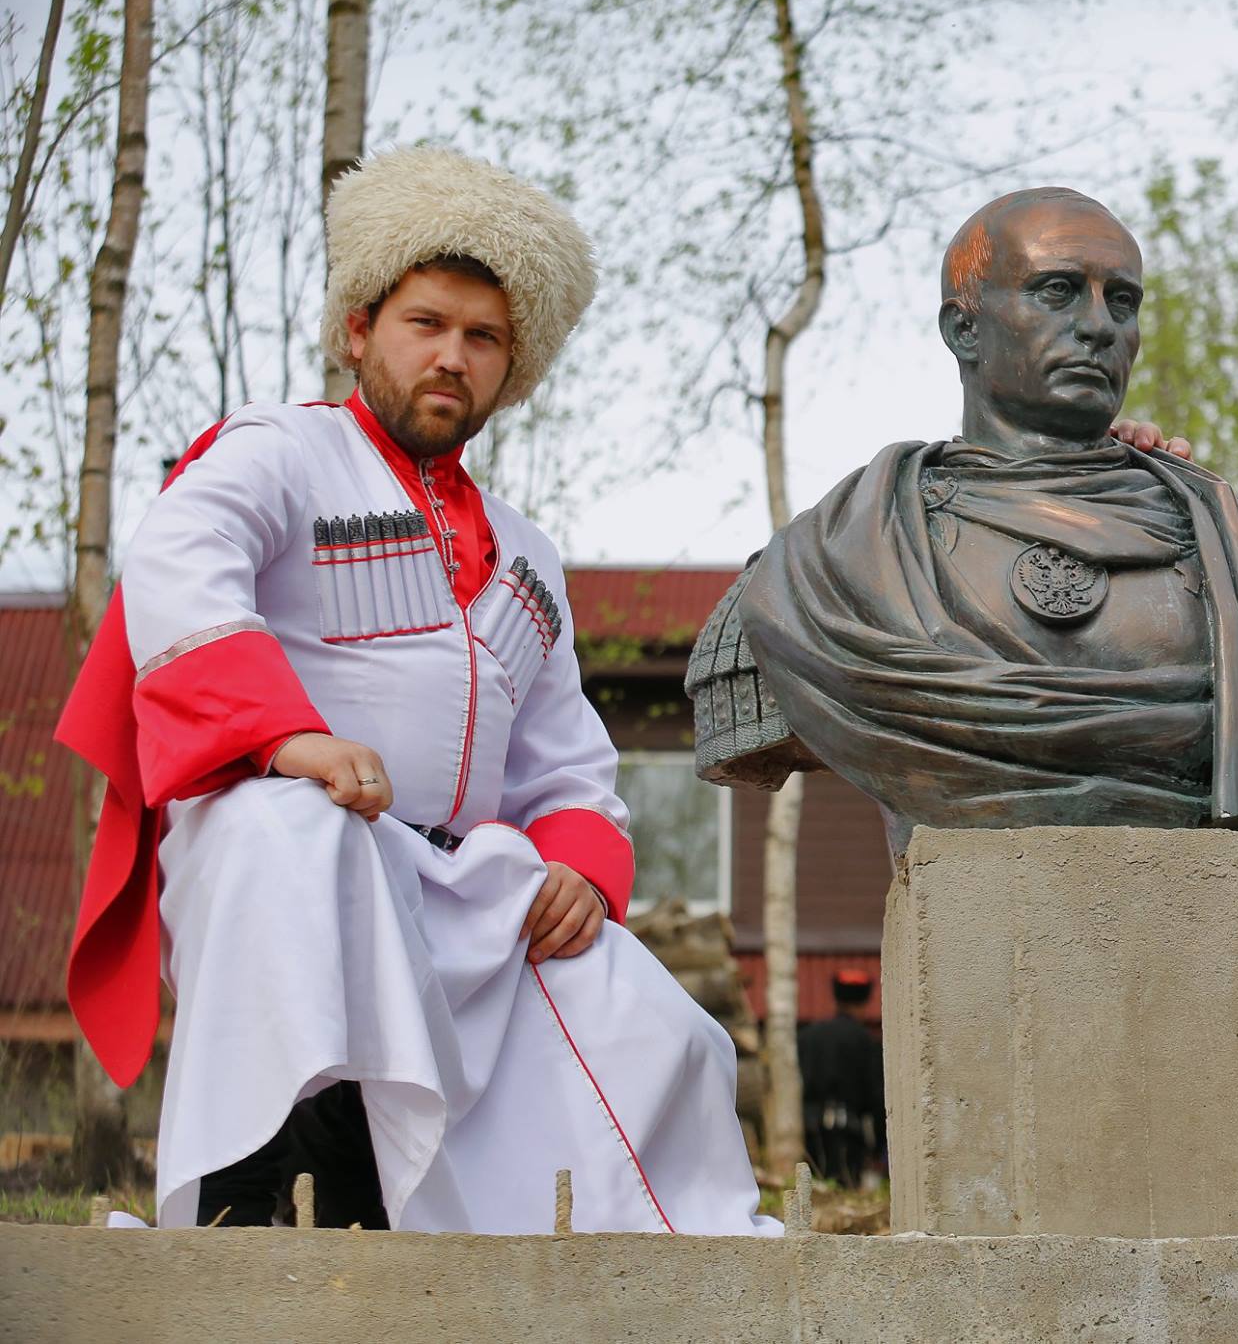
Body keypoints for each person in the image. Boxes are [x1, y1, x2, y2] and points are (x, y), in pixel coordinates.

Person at [58, 146, 779, 1237]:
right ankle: (253, 1205)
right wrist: (286, 738)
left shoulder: (530, 557)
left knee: (655, 1022)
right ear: (360, 329)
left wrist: (580, 867)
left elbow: (565, 758)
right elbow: (177, 557)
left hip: (457, 889)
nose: (452, 357)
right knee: (295, 840)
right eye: (426, 323)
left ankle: (667, 1276)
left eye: (482, 339)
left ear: (510, 366)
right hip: (281, 842)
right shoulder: (281, 450)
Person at [687, 187, 1238, 853]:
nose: (1097, 325)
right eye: (1057, 291)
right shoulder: (824, 569)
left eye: (1121, 301)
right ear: (964, 328)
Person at [798, 968, 886, 1187]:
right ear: (865, 1000)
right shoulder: (866, 1041)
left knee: (817, 1189)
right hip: (850, 1132)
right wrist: (880, 1144)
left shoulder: (808, 1036)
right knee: (846, 1186)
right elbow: (877, 1096)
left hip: (811, 1129)